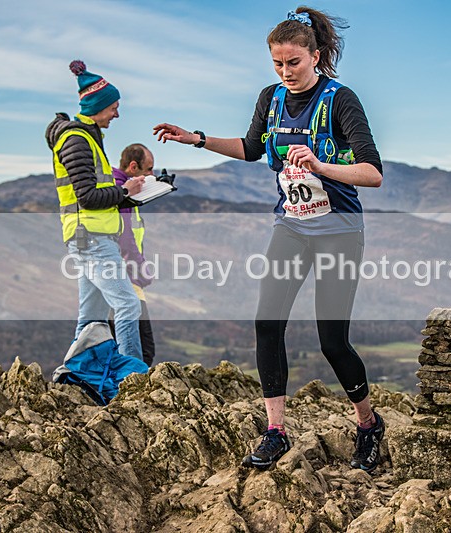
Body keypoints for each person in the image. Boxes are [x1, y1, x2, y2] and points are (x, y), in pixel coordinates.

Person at [153, 7, 385, 471]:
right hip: (290, 226)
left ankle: (368, 424)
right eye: (277, 64)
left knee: (332, 341)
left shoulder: (340, 100)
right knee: (267, 323)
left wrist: (320, 166)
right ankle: (275, 431)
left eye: (294, 62)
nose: (286, 72)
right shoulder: (271, 97)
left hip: (338, 229)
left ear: (315, 56)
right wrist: (196, 139)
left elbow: (373, 173)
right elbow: (252, 148)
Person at [45, 60, 146, 360]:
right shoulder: (76, 139)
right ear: (98, 106)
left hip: (91, 237)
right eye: (114, 106)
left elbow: (97, 194)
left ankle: (73, 378)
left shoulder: (87, 137)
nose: (117, 113)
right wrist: (125, 190)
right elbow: (87, 197)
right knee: (128, 305)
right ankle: (135, 379)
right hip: (91, 238)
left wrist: (131, 195)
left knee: (91, 319)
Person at [112, 143, 157, 366]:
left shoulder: (123, 191)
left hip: (124, 280)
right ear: (133, 166)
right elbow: (126, 239)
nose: (151, 175)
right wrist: (142, 272)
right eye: (148, 169)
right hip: (126, 281)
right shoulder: (123, 195)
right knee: (143, 350)